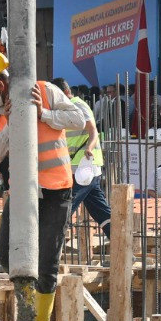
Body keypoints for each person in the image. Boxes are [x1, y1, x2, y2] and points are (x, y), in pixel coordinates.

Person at [0, 49, 87, 321]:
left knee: (47, 260)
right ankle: (28, 309)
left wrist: (43, 114)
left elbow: (81, 118)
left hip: (55, 189)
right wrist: (12, 121)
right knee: (5, 255)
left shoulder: (45, 91)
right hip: (23, 190)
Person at [55, 78, 112, 233]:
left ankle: (49, 247)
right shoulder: (64, 109)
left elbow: (93, 131)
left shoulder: (78, 105)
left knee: (65, 207)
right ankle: (121, 244)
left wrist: (89, 148)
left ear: (66, 92)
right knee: (100, 211)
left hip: (84, 165)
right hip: (79, 166)